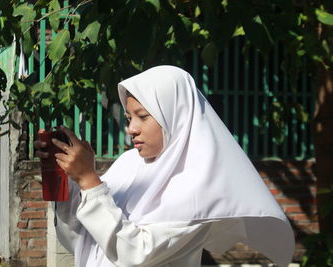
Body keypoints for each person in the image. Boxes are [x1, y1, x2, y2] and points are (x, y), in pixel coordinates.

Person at [35, 65, 294, 266]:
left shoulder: (199, 189)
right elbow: (84, 236)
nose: (131, 129)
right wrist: (70, 178)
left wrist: (90, 181)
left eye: (143, 117)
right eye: (128, 117)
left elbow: (133, 254)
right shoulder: (129, 164)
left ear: (175, 115)